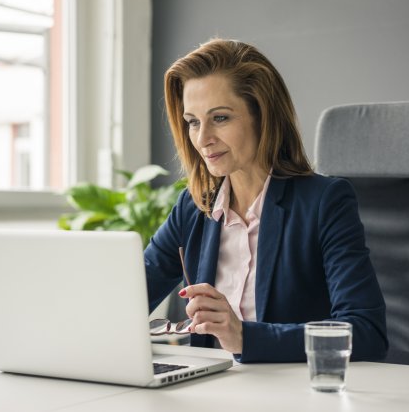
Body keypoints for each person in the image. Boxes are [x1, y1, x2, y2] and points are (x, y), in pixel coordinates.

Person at [144, 38, 387, 363]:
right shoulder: (194, 207)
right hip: (209, 392)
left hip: (291, 392)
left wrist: (242, 336)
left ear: (263, 115)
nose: (203, 139)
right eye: (193, 122)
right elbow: (129, 297)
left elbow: (367, 333)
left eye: (220, 118)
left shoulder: (323, 203)